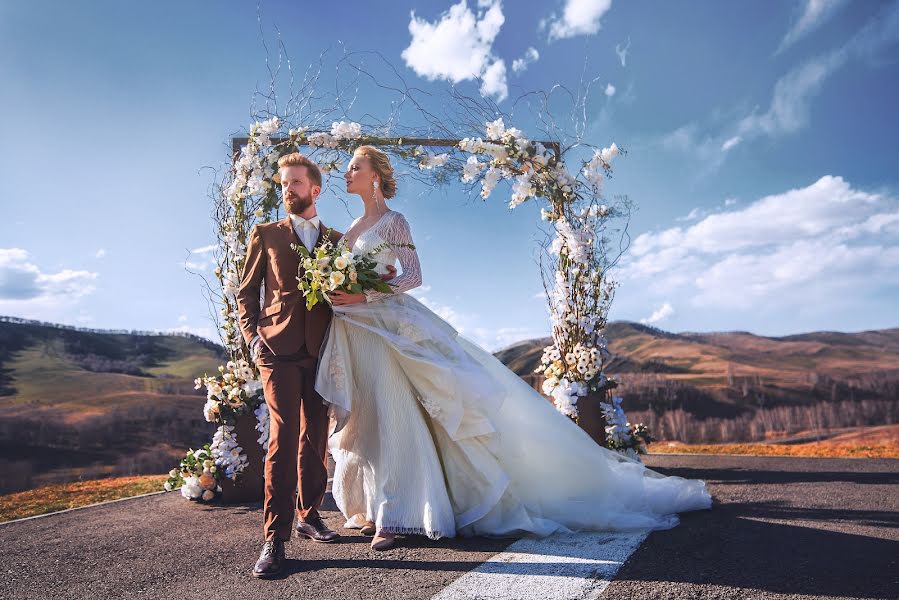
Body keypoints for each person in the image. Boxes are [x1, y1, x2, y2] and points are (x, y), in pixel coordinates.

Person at [319, 145, 713, 552]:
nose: (347, 173)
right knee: (369, 418)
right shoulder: (353, 224)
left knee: (395, 412)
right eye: (347, 167)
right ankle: (373, 504)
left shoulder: (393, 221)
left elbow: (414, 276)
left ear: (376, 177)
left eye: (355, 167)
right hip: (357, 332)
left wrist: (365, 297)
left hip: (389, 326)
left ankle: (398, 514)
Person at [236, 152, 395, 578]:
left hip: (323, 351)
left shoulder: (338, 241)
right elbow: (246, 293)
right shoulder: (266, 234)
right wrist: (253, 339)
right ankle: (274, 537)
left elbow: (357, 293)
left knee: (315, 438)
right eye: (283, 184)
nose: (287, 190)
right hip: (277, 350)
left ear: (315, 189)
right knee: (283, 436)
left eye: (295, 183)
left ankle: (309, 516)